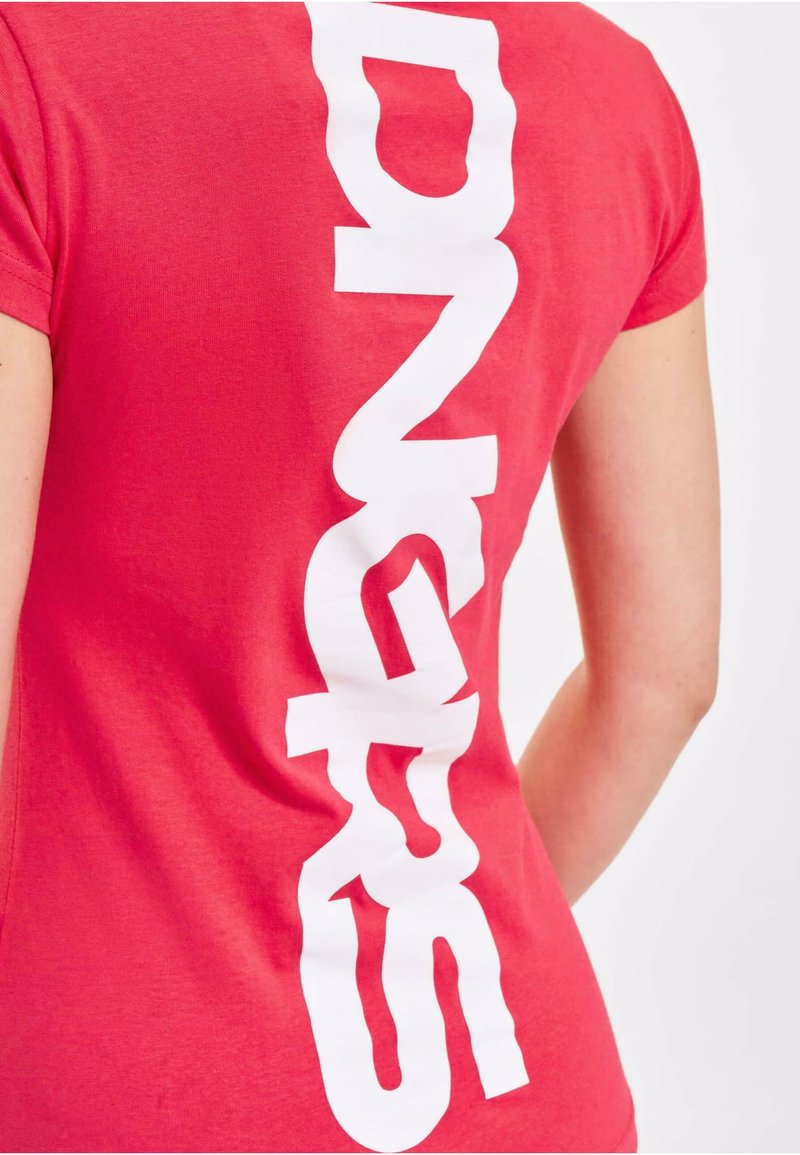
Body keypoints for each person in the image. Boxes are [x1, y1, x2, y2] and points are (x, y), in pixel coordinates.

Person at [0, 2, 720, 1152]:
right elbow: (663, 676)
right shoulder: (613, 97)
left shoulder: (41, 63)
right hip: (504, 1069)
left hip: (110, 1085)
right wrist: (420, 912)